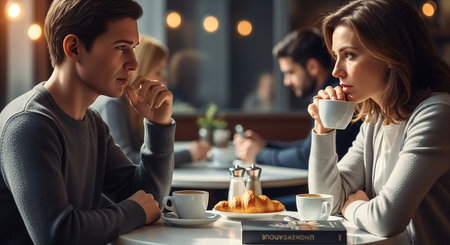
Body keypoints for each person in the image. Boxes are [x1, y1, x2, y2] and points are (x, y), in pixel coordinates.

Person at [0, 0, 175, 244]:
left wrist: (158, 126)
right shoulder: (29, 124)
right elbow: (57, 234)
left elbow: (150, 199)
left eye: (133, 47)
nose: (133, 63)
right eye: (121, 47)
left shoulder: (92, 122)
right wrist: (133, 211)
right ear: (73, 48)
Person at [307, 0, 450, 244]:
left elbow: (386, 219)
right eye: (335, 56)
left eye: (349, 55)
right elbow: (327, 201)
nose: (336, 71)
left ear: (390, 55)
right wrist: (323, 130)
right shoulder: (376, 120)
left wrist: (353, 207)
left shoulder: (436, 115)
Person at [234, 28, 360, 169]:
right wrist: (265, 145)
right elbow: (309, 145)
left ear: (312, 67)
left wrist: (259, 155)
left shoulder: (335, 97)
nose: (286, 82)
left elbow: (308, 157)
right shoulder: (327, 92)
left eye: (290, 72)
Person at [91, 34, 211, 167]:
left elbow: (146, 154)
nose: (164, 80)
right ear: (140, 70)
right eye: (158, 72)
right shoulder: (112, 104)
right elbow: (127, 161)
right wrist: (188, 154)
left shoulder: (137, 107)